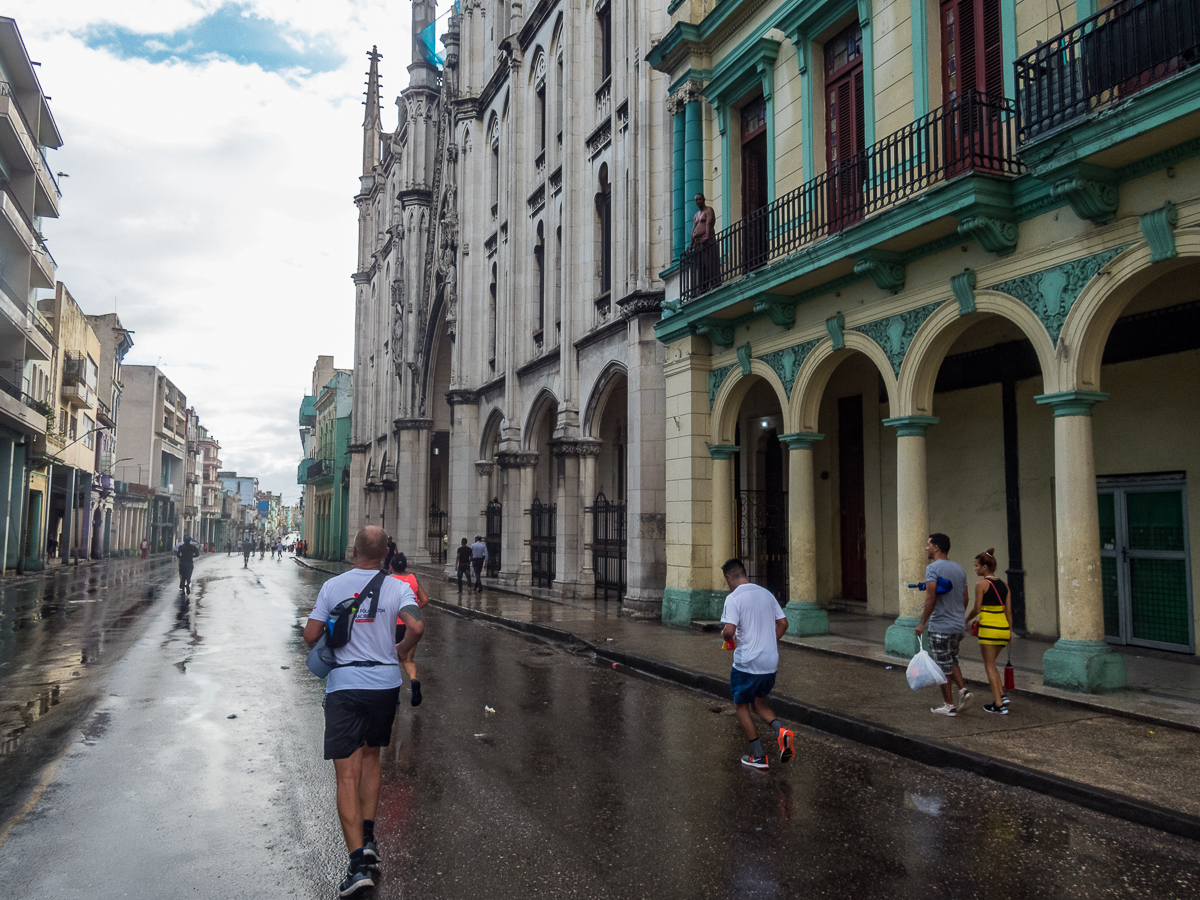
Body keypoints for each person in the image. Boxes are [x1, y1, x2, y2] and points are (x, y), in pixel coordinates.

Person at [303, 526, 423, 897]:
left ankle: (357, 866)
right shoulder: (398, 586)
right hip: (385, 684)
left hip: (346, 685)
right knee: (373, 757)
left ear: (353, 552)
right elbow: (416, 624)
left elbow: (310, 635)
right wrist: (401, 650)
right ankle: (369, 838)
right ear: (387, 553)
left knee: (346, 775)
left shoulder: (333, 587)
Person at [719, 558, 795, 770]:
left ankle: (759, 756)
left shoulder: (733, 599)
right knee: (759, 703)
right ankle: (781, 732)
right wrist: (768, 643)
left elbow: (730, 632)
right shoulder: (766, 594)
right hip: (769, 662)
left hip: (747, 663)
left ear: (729, 578)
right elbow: (783, 624)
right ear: (747, 575)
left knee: (741, 706)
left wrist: (725, 636)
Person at [915, 533, 973, 716]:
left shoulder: (933, 568)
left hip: (940, 625)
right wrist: (957, 615)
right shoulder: (959, 569)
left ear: (936, 548)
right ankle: (963, 691)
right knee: (951, 659)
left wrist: (922, 622)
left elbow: (931, 597)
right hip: (957, 625)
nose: (926, 548)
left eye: (928, 545)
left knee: (941, 666)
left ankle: (949, 705)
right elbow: (965, 598)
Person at [966, 548, 1012, 714]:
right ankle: (1002, 695)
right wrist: (1010, 631)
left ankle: (998, 705)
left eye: (976, 566)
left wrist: (966, 619)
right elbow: (1008, 611)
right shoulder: (1005, 585)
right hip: (1003, 630)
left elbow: (977, 608)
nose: (975, 568)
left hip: (988, 630)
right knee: (993, 665)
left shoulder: (981, 585)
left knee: (989, 667)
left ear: (985, 567)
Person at [390, 552, 430, 706]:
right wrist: (410, 611)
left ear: (390, 566)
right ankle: (414, 680)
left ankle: (395, 694)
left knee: (391, 659)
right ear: (406, 566)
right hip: (410, 626)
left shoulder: (388, 581)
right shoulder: (413, 579)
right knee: (408, 660)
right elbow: (425, 600)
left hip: (392, 626)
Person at [690, 192, 720, 290]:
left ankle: (714, 283)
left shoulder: (708, 210)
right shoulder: (696, 215)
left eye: (699, 199)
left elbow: (709, 224)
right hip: (698, 244)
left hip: (707, 242)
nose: (698, 201)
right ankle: (703, 287)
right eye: (696, 200)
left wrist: (707, 236)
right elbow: (693, 230)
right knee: (701, 267)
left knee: (710, 264)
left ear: (704, 199)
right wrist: (691, 245)